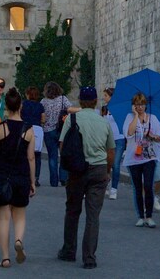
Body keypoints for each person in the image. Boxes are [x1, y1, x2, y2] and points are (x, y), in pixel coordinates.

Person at [57, 86, 113, 270]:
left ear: (80, 101)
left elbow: (63, 145)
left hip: (77, 169)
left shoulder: (72, 119)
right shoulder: (103, 121)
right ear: (95, 101)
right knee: (93, 215)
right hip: (98, 169)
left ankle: (69, 250)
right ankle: (89, 256)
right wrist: (108, 170)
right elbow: (110, 150)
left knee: (72, 210)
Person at [0, 87, 37, 268]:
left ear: (6, 107)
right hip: (21, 175)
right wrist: (33, 180)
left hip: (2, 175)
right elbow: (31, 157)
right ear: (20, 106)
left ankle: (5, 257)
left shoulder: (0, 127)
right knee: (19, 216)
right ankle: (18, 240)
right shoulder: (29, 130)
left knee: (3, 218)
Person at [121, 92, 160, 228]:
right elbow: (129, 133)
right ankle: (140, 216)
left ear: (146, 105)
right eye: (137, 104)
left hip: (148, 157)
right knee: (138, 188)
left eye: (142, 104)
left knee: (148, 186)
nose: (140, 107)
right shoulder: (130, 117)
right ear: (133, 106)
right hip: (134, 158)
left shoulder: (152, 118)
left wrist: (152, 135)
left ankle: (149, 216)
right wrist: (135, 116)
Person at [40, 81, 72, 187]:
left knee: (52, 156)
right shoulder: (63, 99)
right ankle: (63, 178)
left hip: (48, 131)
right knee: (63, 154)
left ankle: (53, 181)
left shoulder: (43, 102)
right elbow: (70, 109)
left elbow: (41, 116)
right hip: (61, 129)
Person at [101, 87, 124, 200]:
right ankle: (106, 182)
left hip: (119, 138)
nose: (104, 98)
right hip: (106, 139)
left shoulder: (120, 109)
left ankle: (114, 189)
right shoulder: (104, 109)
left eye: (106, 96)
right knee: (106, 164)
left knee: (115, 164)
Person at [21, 87, 45, 186]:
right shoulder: (40, 105)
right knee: (37, 155)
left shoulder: (24, 104)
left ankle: (25, 175)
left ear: (28, 94)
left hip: (26, 128)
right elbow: (43, 119)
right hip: (37, 129)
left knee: (25, 153)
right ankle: (35, 177)